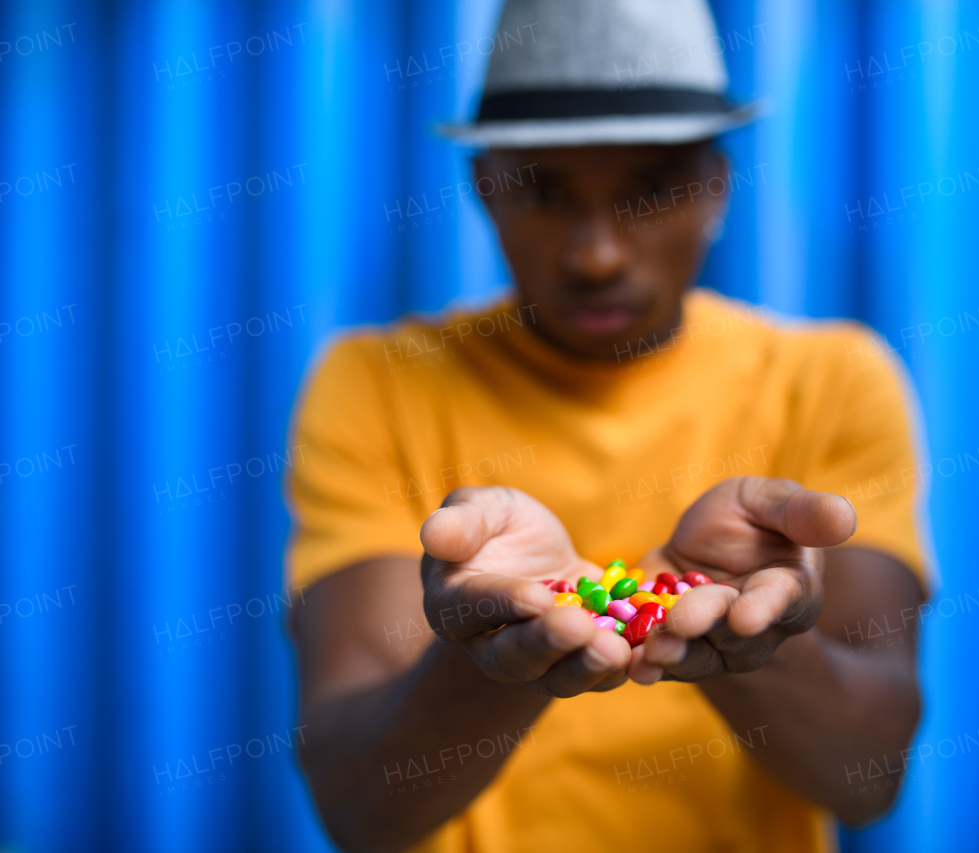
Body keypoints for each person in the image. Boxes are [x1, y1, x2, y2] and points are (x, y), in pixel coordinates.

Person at [286, 1, 932, 850]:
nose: (596, 255)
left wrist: (755, 643)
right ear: (485, 190)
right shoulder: (375, 384)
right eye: (545, 192)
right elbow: (359, 806)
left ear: (714, 190)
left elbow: (869, 776)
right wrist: (491, 653)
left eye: (651, 190)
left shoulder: (831, 379)